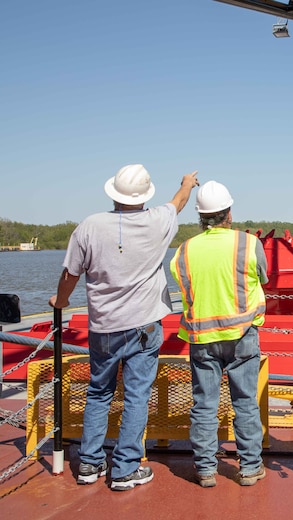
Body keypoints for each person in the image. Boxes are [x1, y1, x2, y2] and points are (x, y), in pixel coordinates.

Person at [50, 164, 199, 491]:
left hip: (104, 328)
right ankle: (125, 469)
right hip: (145, 326)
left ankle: (89, 463)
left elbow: (69, 275)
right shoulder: (159, 220)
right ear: (145, 195)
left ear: (114, 193)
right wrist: (188, 182)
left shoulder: (89, 226)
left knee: (99, 392)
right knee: (136, 396)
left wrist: (60, 303)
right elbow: (179, 201)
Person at [169, 180, 268, 488]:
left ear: (201, 216)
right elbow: (262, 275)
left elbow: (184, 289)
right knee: (245, 402)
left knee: (204, 405)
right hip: (241, 335)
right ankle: (250, 468)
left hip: (201, 339)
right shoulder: (248, 243)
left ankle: (205, 470)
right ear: (228, 212)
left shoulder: (184, 250)